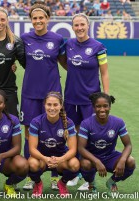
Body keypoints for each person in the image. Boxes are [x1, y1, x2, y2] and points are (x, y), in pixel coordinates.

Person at [20, 3, 67, 191]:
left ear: (47, 19)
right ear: (31, 20)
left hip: (52, 95)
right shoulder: (24, 38)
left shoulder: (57, 39)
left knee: (56, 133)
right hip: (30, 94)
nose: (38, 21)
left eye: (41, 18)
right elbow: (21, 60)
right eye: (34, 18)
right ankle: (32, 177)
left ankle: (55, 177)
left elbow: (65, 63)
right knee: (28, 134)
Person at [64, 13, 109, 189]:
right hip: (70, 97)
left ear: (88, 25)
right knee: (72, 137)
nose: (79, 28)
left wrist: (105, 95)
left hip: (90, 100)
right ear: (73, 27)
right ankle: (75, 173)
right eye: (76, 25)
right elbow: (64, 62)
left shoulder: (98, 46)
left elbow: (104, 72)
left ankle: (89, 180)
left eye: (82, 24)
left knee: (88, 138)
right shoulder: (68, 44)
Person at [78, 92, 136, 195]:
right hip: (92, 157)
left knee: (130, 161)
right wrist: (96, 161)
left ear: (110, 107)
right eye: (98, 106)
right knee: (85, 164)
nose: (102, 109)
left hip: (110, 156)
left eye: (105, 106)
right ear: (93, 107)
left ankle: (112, 182)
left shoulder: (118, 122)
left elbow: (128, 145)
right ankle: (91, 184)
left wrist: (122, 160)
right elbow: (81, 148)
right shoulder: (86, 123)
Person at [28, 92, 79, 196]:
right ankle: (38, 183)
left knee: (75, 164)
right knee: (31, 163)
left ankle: (62, 183)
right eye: (49, 104)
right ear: (44, 105)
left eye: (55, 105)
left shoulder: (68, 123)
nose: (52, 108)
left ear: (61, 106)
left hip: (60, 160)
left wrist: (60, 159)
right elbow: (32, 149)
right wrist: (46, 159)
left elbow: (73, 150)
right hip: (41, 159)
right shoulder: (36, 122)